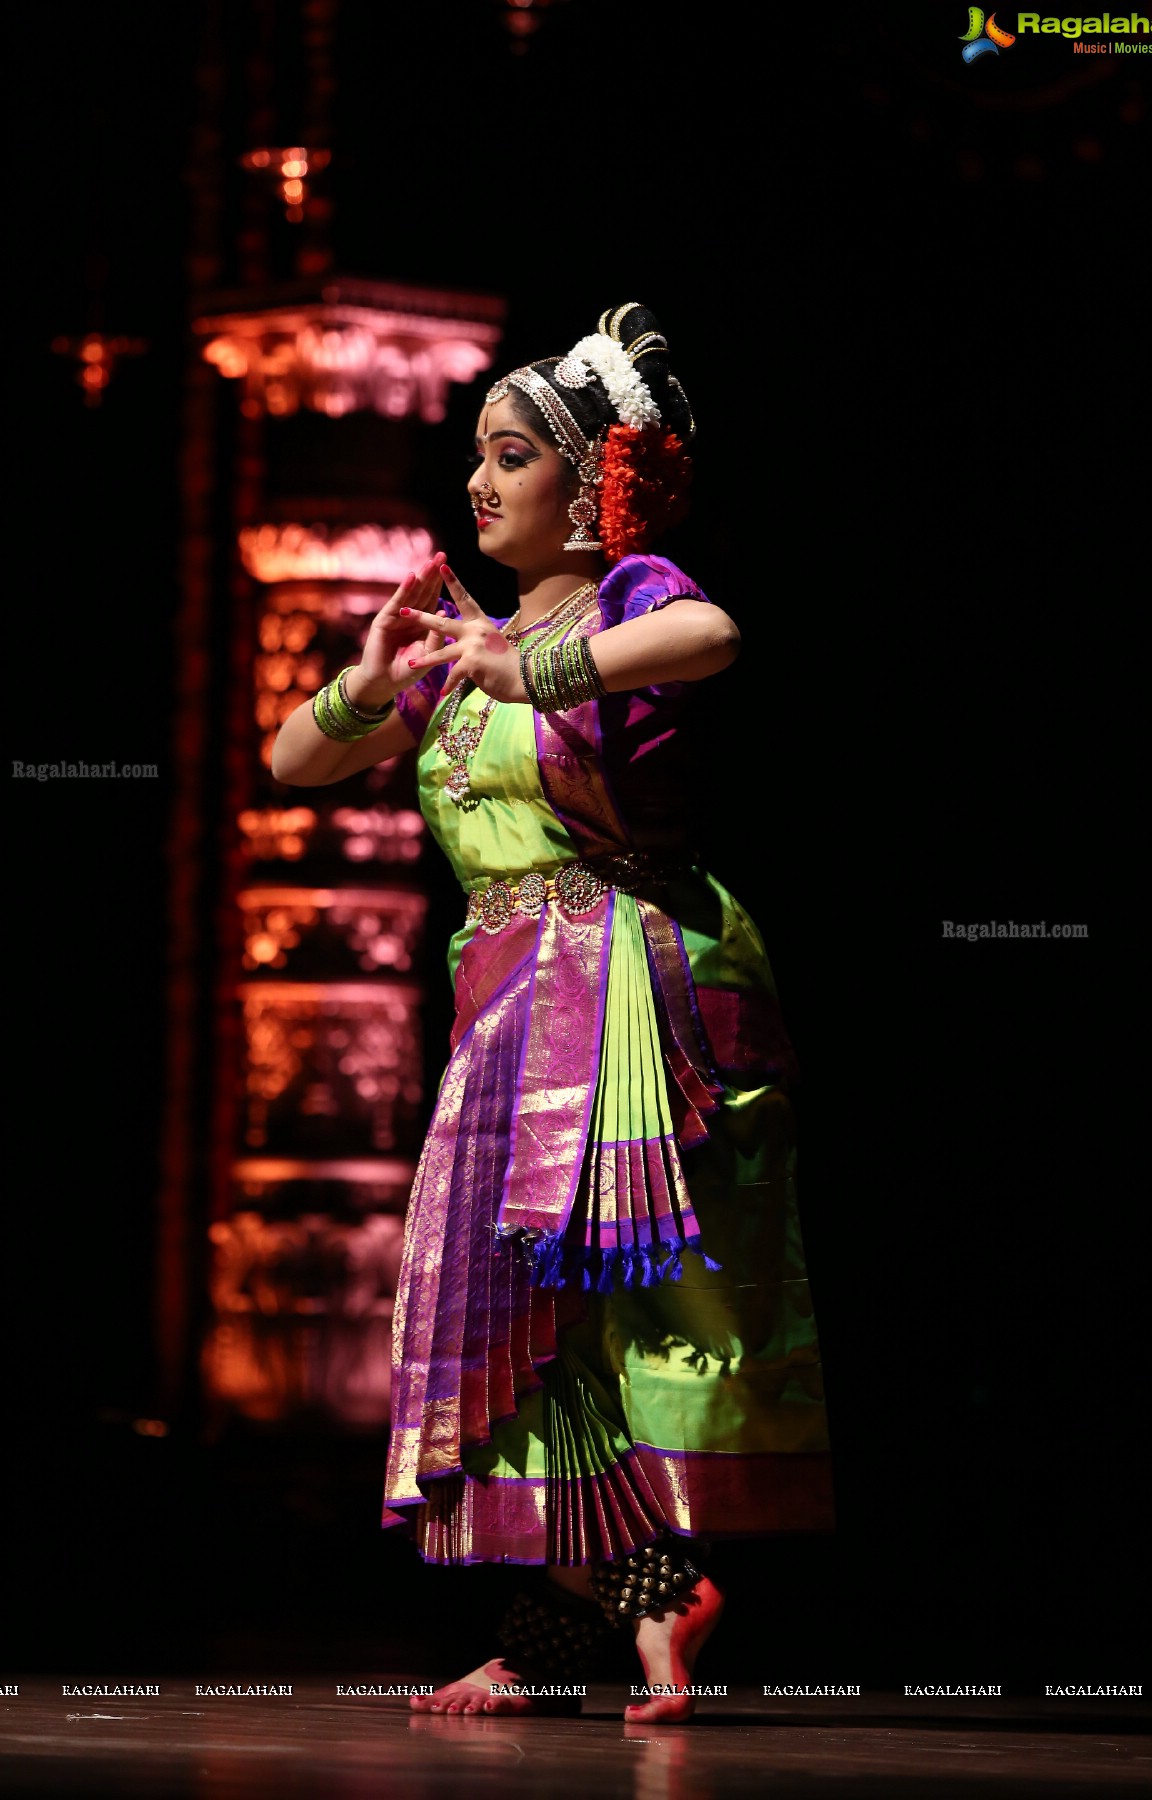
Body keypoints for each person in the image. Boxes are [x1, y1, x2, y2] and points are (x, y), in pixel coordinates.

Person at [272, 302, 833, 1724]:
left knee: (641, 1295)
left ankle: (643, 1604)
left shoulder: (632, 593)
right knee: (513, 1312)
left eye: (510, 456)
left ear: (589, 489)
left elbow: (717, 634)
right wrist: (379, 673)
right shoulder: (466, 639)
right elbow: (292, 763)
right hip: (508, 999)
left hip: (640, 984)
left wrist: (542, 668)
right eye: (476, 454)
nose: (478, 480)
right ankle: (593, 1617)